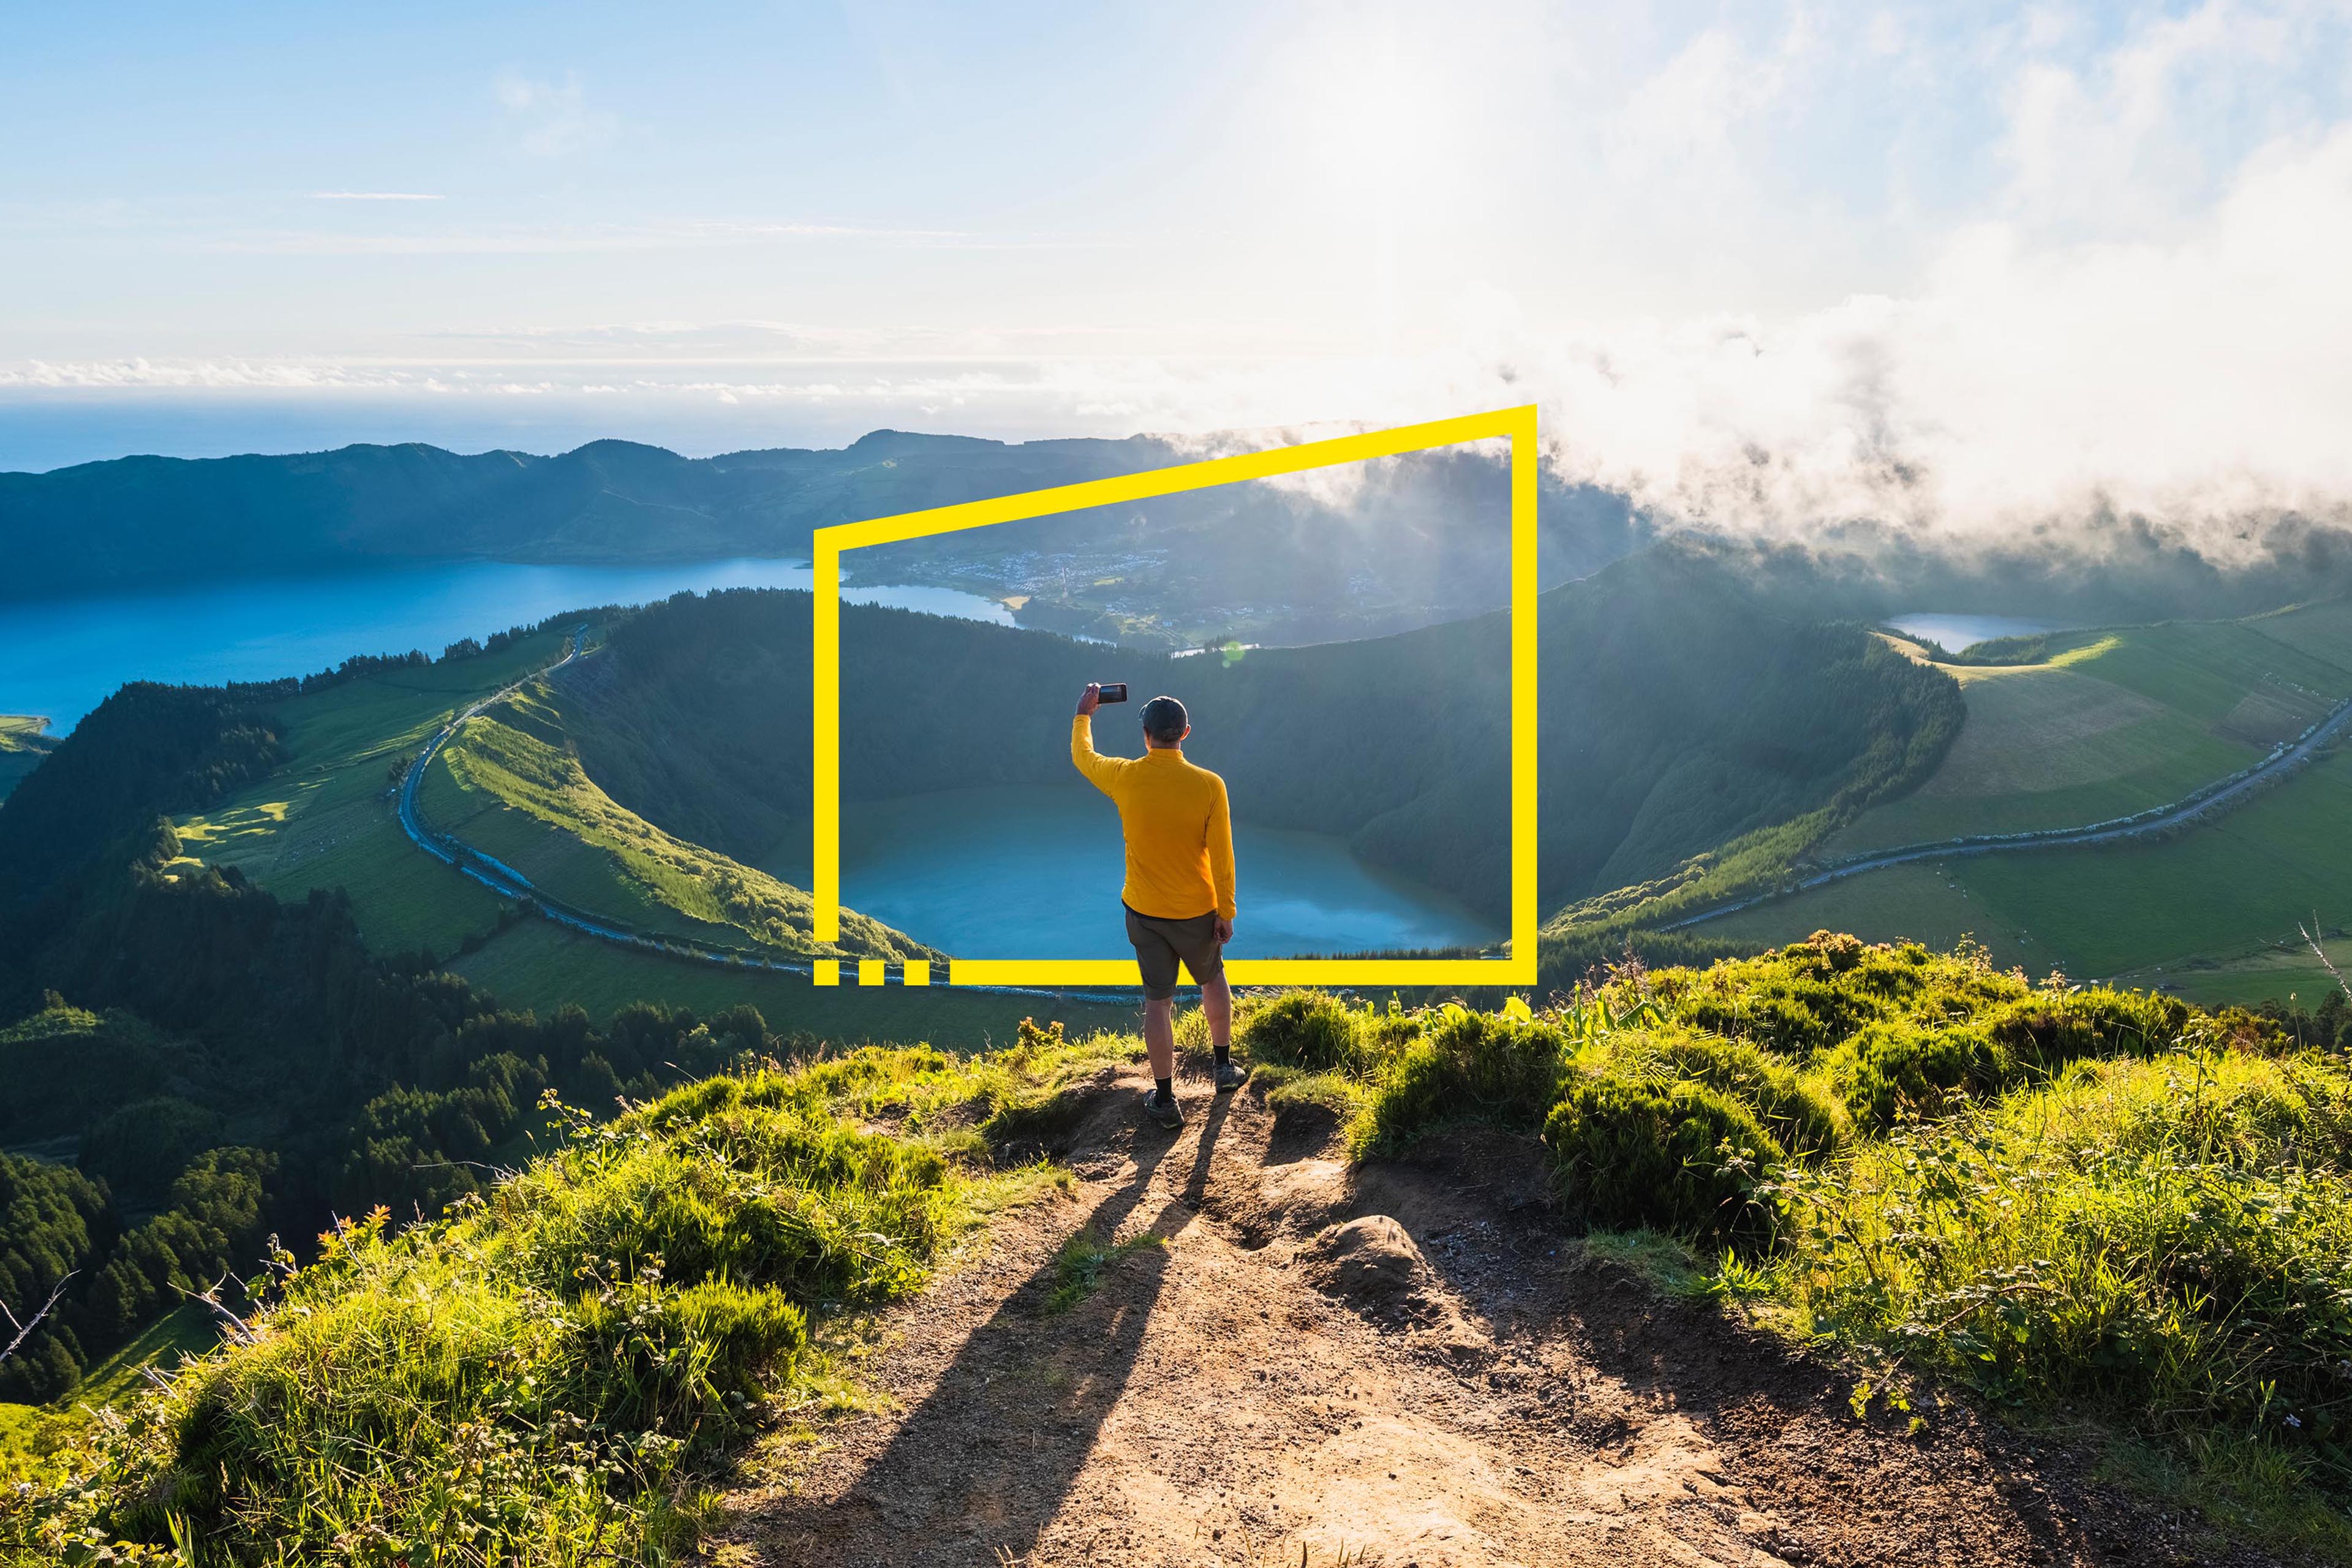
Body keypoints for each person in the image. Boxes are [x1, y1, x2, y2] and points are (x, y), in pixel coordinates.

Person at [1071, 684, 1243, 1127]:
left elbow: (1084, 759)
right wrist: (1226, 911)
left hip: (1144, 914)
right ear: (1184, 732)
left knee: (1158, 1003)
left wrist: (1084, 715)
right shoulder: (1209, 786)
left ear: (1145, 734)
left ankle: (1165, 1101)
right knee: (1212, 979)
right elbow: (1222, 856)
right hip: (1196, 912)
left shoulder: (1126, 776)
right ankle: (1223, 1067)